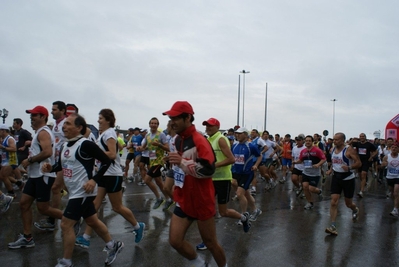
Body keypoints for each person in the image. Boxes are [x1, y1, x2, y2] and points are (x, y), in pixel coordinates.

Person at [42, 113, 124, 267]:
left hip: (83, 192)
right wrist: (50, 168)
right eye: (64, 124)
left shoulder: (85, 144)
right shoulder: (65, 145)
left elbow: (107, 160)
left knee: (66, 224)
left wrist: (94, 180)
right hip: (74, 192)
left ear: (79, 128)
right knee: (92, 220)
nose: (64, 127)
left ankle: (66, 262)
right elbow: (62, 165)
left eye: (68, 124)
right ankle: (113, 245)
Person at [163, 101, 227, 267]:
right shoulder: (178, 140)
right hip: (183, 198)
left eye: (176, 118)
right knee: (175, 241)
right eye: (171, 118)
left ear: (188, 118)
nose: (172, 122)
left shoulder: (200, 140)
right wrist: (174, 160)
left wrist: (182, 162)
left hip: (201, 200)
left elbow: (209, 170)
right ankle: (199, 264)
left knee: (211, 243)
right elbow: (183, 163)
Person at [75, 109, 145, 249]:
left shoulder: (109, 133)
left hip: (112, 175)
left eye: (100, 118)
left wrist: (94, 153)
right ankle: (86, 237)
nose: (98, 121)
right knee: (94, 205)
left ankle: (138, 226)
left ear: (108, 120)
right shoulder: (103, 134)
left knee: (117, 207)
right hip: (104, 174)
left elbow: (112, 154)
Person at [8, 105, 63, 249]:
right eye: (31, 115)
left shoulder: (43, 132)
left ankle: (72, 218)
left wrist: (29, 160)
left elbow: (47, 152)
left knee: (43, 209)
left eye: (34, 115)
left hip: (43, 175)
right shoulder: (39, 132)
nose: (31, 118)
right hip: (34, 175)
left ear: (43, 117)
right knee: (24, 204)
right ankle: (27, 238)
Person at [196, 118, 251, 251]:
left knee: (223, 212)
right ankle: (207, 241)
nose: (207, 128)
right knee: (206, 210)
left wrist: (213, 166)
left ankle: (243, 217)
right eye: (206, 125)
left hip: (222, 180)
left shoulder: (220, 139)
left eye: (210, 126)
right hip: (209, 179)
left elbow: (231, 159)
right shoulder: (208, 140)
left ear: (217, 127)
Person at [34, 101, 67, 231]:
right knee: (65, 188)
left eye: (54, 109)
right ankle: (86, 209)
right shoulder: (55, 126)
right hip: (57, 161)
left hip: (64, 160)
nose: (52, 111)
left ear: (63, 110)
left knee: (55, 188)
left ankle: (53, 220)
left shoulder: (66, 123)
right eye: (52, 109)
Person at [325, 132, 361, 236]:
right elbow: (334, 162)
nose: (334, 141)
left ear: (342, 140)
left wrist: (349, 167)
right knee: (333, 202)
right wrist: (330, 170)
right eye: (334, 139)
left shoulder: (349, 150)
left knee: (348, 203)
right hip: (336, 177)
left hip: (348, 178)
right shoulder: (332, 150)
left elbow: (359, 163)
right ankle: (333, 226)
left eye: (337, 140)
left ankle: (355, 209)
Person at [137, 117, 172, 209]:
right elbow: (144, 148)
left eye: (155, 123)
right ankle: (169, 199)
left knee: (147, 180)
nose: (153, 125)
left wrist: (159, 145)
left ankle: (159, 198)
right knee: (159, 182)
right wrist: (140, 148)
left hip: (159, 162)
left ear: (158, 125)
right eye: (152, 123)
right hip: (151, 160)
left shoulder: (161, 135)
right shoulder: (147, 136)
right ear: (149, 124)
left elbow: (168, 148)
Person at [231, 127, 263, 222]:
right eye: (236, 133)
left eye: (240, 133)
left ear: (245, 134)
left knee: (240, 194)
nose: (237, 135)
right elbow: (233, 158)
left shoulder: (251, 146)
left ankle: (244, 216)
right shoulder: (234, 146)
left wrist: (256, 165)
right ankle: (255, 210)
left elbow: (260, 155)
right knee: (245, 193)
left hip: (247, 173)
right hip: (236, 172)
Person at [293, 135, 326, 210]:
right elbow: (301, 160)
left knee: (311, 188)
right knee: (305, 187)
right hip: (305, 172)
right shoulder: (303, 151)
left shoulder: (317, 150)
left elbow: (323, 159)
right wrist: (295, 162)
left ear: (312, 142)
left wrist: (318, 164)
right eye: (306, 141)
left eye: (309, 141)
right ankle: (310, 203)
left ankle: (319, 191)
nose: (308, 142)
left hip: (314, 174)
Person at [351, 133, 377, 198]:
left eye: (363, 136)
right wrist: (353, 140)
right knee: (360, 176)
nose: (362, 137)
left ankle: (361, 191)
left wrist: (372, 157)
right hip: (359, 161)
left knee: (364, 174)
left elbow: (376, 151)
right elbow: (348, 145)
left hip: (366, 161)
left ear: (365, 137)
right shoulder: (357, 144)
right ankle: (364, 182)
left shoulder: (369, 144)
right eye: (360, 136)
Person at [0, 124, 24, 196]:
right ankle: (18, 183)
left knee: (3, 176)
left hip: (10, 161)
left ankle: (11, 192)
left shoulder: (9, 139)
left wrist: (2, 147)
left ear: (3, 131)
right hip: (5, 160)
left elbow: (14, 149)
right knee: (2, 176)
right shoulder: (4, 139)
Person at [381, 141, 399, 217]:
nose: (394, 149)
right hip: (389, 176)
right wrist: (383, 164)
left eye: (395, 148)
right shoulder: (387, 157)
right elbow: (381, 166)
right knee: (392, 193)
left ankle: (395, 209)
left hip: (398, 177)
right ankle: (396, 202)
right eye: (392, 147)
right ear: (390, 149)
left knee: (396, 192)